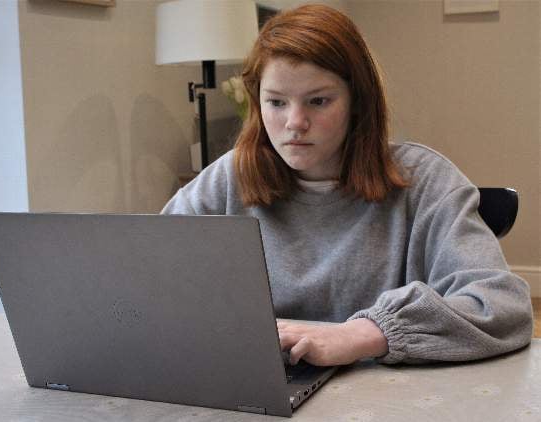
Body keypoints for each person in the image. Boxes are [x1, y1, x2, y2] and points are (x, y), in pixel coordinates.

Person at [162, 4, 533, 366]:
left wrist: (367, 333)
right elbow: (149, 278)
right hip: (261, 386)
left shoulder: (424, 181)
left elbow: (503, 305)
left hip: (385, 391)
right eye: (276, 102)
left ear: (357, 101)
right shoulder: (229, 177)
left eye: (318, 101)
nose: (295, 122)